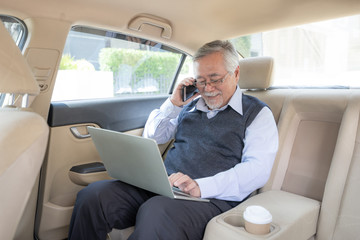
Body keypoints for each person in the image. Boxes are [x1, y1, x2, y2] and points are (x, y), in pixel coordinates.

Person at [68, 40, 278, 240]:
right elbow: (152, 136)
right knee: (93, 196)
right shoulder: (189, 107)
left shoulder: (257, 114)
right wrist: (173, 104)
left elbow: (257, 170)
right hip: (165, 186)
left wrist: (199, 186)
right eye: (201, 81)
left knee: (156, 211)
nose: (208, 88)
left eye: (215, 79)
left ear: (236, 73)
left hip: (209, 198)